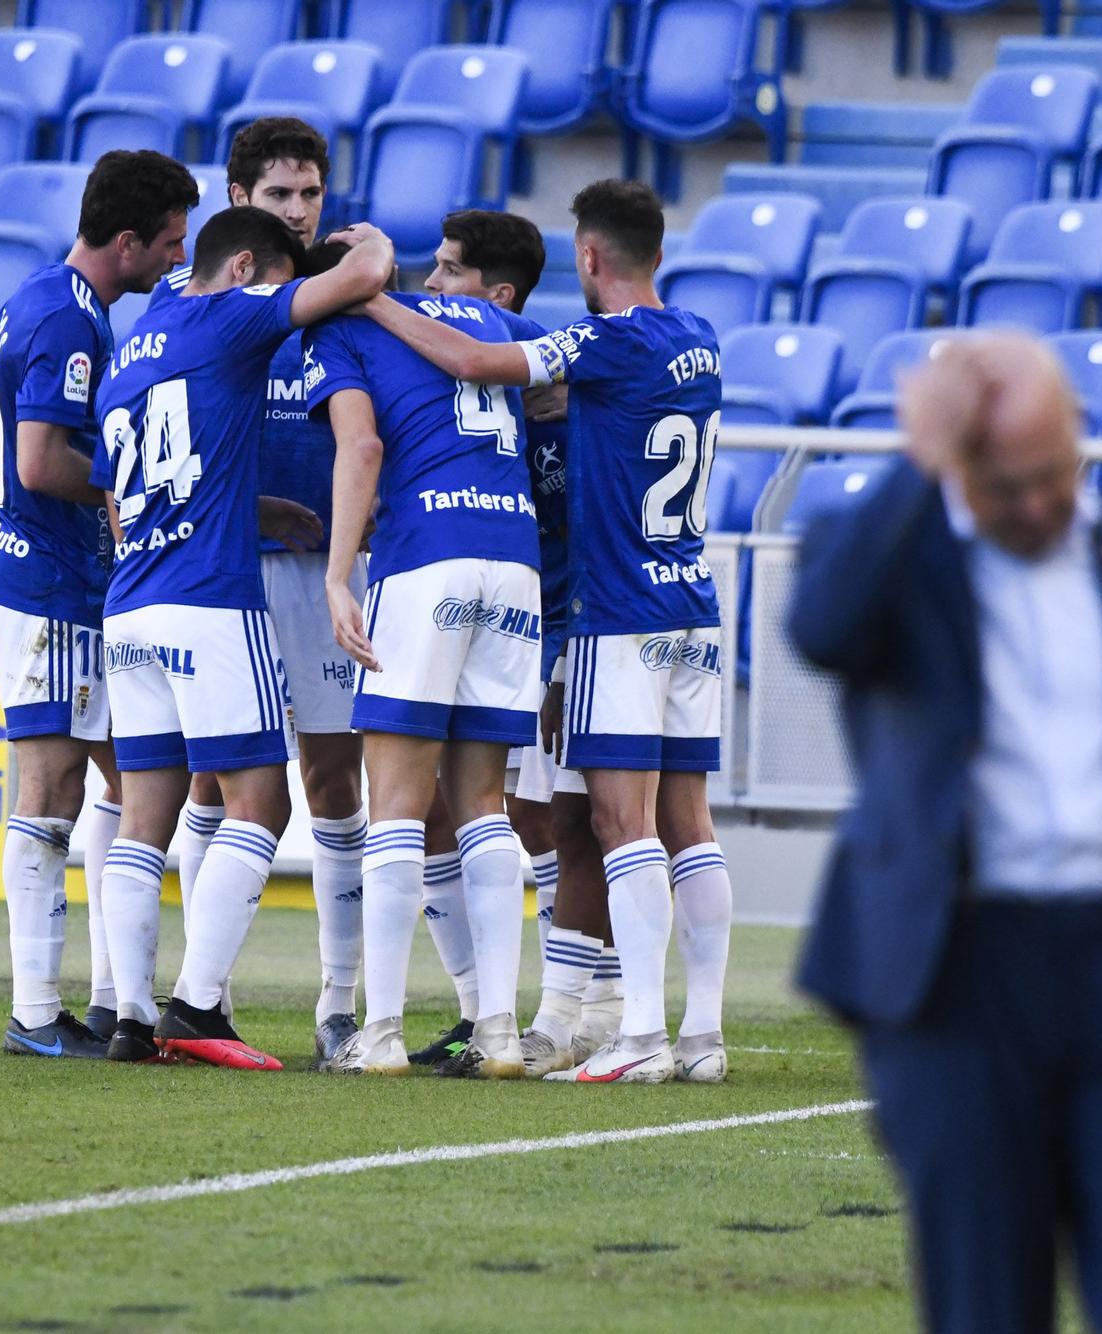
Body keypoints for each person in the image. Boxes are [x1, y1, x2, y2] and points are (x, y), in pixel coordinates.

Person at [787, 334, 1102, 1332]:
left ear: (1078, 442)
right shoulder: (886, 556)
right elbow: (821, 630)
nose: (1039, 505)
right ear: (958, 465)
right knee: (987, 1308)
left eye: (1054, 474)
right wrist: (918, 460)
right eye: (1007, 486)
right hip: (955, 981)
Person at [360, 180, 734, 1084]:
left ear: (589, 258)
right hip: (692, 601)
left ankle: (638, 1032)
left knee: (619, 820)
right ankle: (702, 1036)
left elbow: (482, 365)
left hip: (617, 613)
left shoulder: (605, 340)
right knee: (689, 824)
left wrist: (370, 297)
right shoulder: (698, 336)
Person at [95, 207, 395, 1068]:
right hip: (209, 601)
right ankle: (197, 1009)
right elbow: (362, 279)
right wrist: (369, 243)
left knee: (140, 820)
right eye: (273, 280)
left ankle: (130, 1015)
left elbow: (135, 489)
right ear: (243, 268)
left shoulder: (134, 348)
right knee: (261, 800)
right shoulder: (229, 310)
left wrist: (249, 506)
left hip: (133, 601)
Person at [0, 149, 201, 1060]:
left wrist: (1, 532)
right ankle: (37, 1011)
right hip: (55, 588)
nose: (175, 264)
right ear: (129, 240)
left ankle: (113, 999)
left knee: (119, 778)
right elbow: (35, 461)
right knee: (54, 787)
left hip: (46, 577)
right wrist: (124, 494)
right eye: (170, 244)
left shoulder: (39, 299)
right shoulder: (71, 321)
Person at [149, 117, 371, 1066]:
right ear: (239, 198)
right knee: (216, 779)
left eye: (310, 194)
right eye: (279, 195)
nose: (298, 210)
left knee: (333, 777)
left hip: (323, 571)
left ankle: (339, 1001)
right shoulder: (187, 294)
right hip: (221, 572)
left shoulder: (343, 299)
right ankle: (212, 991)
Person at [305, 243, 544, 1078]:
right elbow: (548, 393)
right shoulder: (487, 315)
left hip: (426, 556)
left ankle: (383, 1032)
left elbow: (361, 450)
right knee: (483, 804)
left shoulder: (339, 331)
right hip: (514, 559)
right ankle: (502, 1029)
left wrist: (338, 576)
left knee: (398, 805)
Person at [416, 209, 615, 1077]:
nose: (430, 286)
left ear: (497, 295)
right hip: (496, 618)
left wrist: (573, 655)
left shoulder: (560, 379)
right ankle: (481, 1007)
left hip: (570, 628)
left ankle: (590, 1005)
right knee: (442, 813)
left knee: (575, 820)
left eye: (448, 270)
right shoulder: (470, 378)